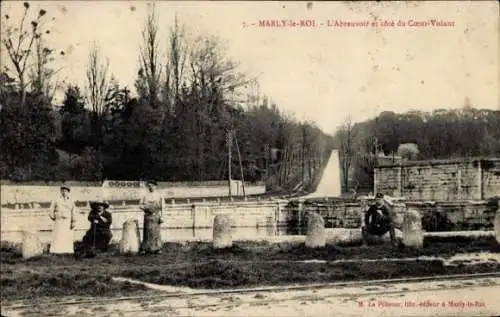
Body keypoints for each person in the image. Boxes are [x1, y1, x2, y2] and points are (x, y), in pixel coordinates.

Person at [49, 185, 76, 254]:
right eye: (63, 191)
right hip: (59, 220)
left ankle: (67, 251)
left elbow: (73, 212)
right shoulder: (56, 200)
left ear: (68, 192)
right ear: (60, 191)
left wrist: (73, 221)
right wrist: (54, 217)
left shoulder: (71, 201)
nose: (64, 192)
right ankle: (56, 251)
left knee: (67, 235)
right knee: (58, 235)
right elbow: (51, 209)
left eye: (66, 191)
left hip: (67, 221)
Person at [140, 180, 164, 254]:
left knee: (156, 232)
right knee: (147, 232)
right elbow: (140, 205)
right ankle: (145, 248)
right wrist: (145, 208)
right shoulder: (144, 195)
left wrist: (162, 216)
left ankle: (157, 248)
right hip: (147, 216)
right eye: (149, 186)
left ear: (155, 186)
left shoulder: (159, 195)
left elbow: (163, 207)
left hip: (156, 216)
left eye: (152, 185)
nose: (151, 187)